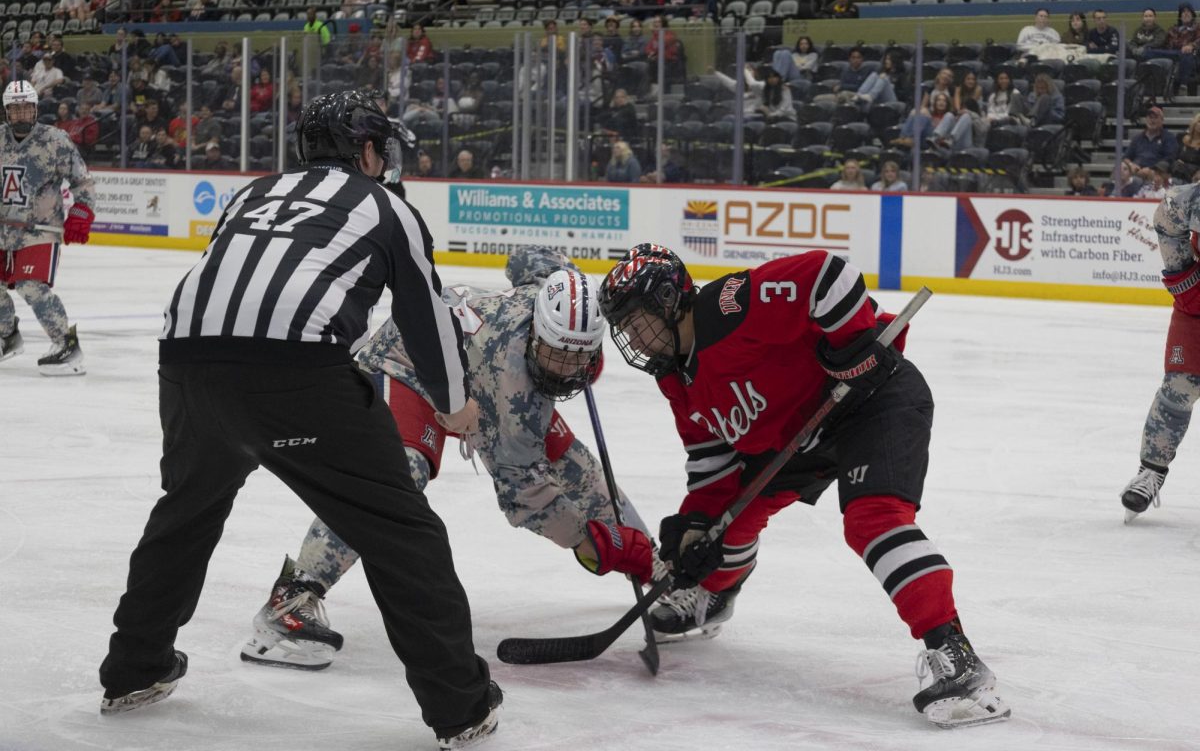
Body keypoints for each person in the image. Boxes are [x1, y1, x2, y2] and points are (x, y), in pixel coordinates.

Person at [95, 90, 502, 749]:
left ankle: (132, 670)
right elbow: (423, 319)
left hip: (187, 364)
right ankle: (461, 703)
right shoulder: (387, 208)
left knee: (187, 509)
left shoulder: (254, 191)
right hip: (296, 375)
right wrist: (455, 408)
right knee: (401, 531)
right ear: (368, 150)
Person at [596, 243, 1010, 728]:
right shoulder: (675, 379)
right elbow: (712, 462)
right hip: (799, 437)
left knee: (871, 522)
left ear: (668, 300)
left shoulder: (727, 307)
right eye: (622, 328)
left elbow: (825, 273)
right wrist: (694, 525)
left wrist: (853, 347)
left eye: (635, 320)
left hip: (871, 400)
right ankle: (713, 595)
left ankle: (955, 653)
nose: (632, 338)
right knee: (720, 530)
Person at [242, 245, 657, 670]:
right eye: (555, 352)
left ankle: (660, 570)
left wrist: (563, 273)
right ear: (536, 330)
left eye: (578, 356)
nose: (565, 369)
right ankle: (290, 601)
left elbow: (525, 259)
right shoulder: (516, 382)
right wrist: (593, 543)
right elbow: (524, 495)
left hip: (474, 381)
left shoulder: (547, 299)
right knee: (396, 475)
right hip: (408, 367)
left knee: (576, 465)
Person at [0, 80, 95, 376]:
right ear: (6, 112)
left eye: (26, 108)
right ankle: (7, 336)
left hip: (39, 228)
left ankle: (66, 345)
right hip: (2, 230)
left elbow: (83, 182)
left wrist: (80, 212)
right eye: (15, 110)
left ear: (36, 109)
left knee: (31, 287)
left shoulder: (55, 140)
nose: (21, 115)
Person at [1121, 182, 1200, 521]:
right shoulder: (1192, 198)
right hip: (1197, 311)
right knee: (1179, 387)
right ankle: (1151, 471)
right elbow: (1166, 216)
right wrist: (1184, 276)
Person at [1125, 105, 1179, 171]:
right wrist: (1131, 165)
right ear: (1146, 119)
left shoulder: (1169, 138)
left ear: (1162, 121)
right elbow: (1126, 157)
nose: (1152, 121)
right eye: (1150, 117)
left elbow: (1170, 159)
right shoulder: (1137, 138)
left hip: (1156, 173)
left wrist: (1152, 169)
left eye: (1155, 118)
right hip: (1136, 170)